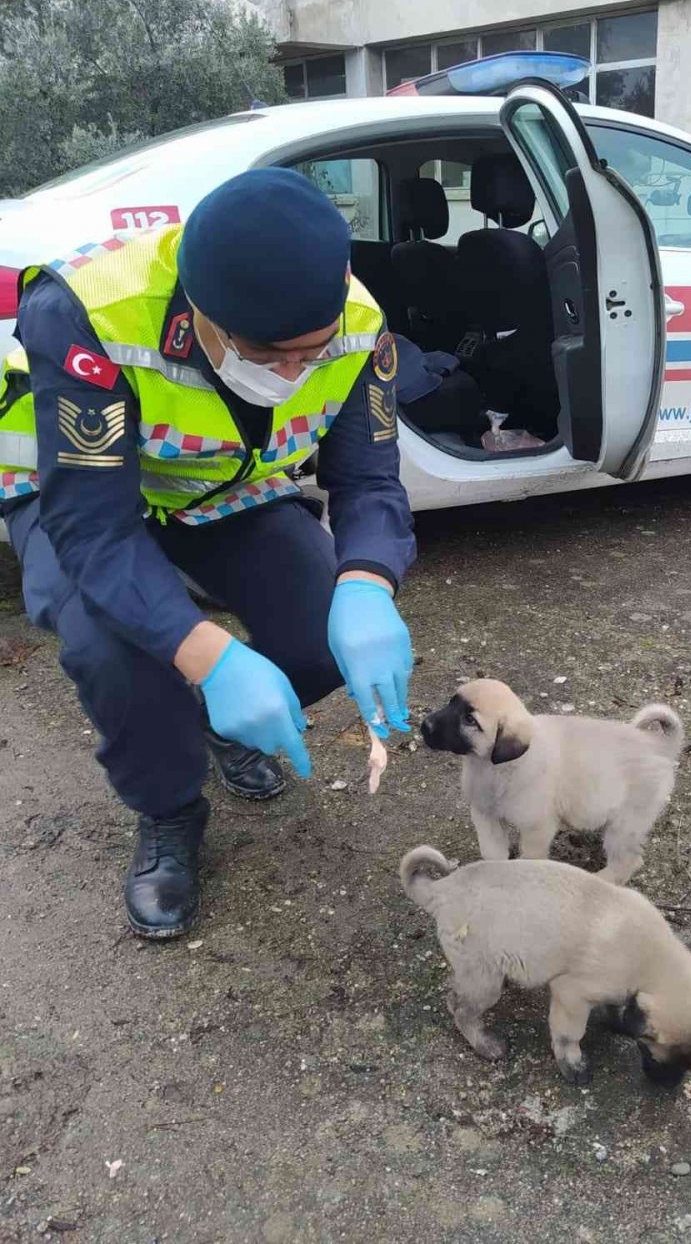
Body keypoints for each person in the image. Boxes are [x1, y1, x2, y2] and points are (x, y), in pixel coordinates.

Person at [0, 168, 416, 939]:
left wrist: (368, 582)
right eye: (270, 353)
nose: (294, 373)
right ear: (200, 316)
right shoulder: (86, 311)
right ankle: (169, 810)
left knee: (323, 620)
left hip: (217, 487)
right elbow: (96, 531)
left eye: (311, 354)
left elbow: (368, 476)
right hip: (76, 499)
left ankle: (226, 727)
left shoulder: (358, 321)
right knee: (117, 653)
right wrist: (210, 654)